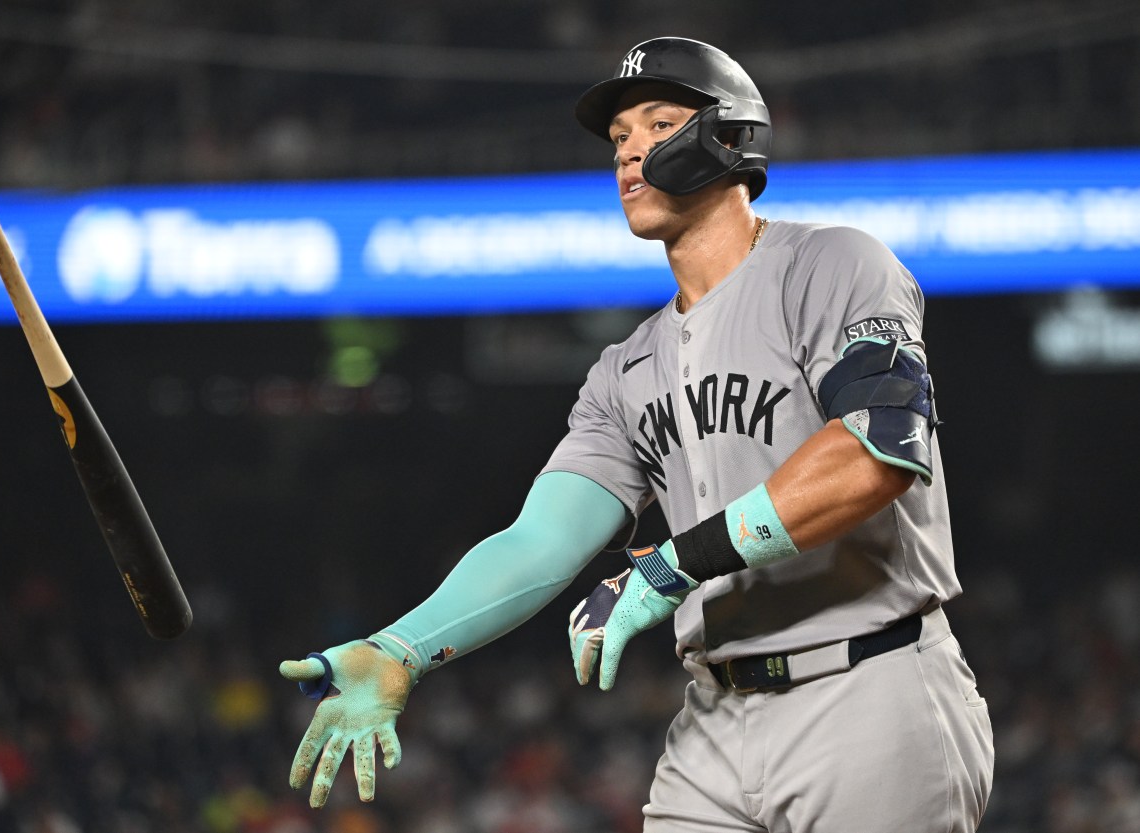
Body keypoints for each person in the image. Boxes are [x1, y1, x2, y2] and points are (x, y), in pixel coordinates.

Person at [280, 36, 995, 832]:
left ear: (728, 135)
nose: (629, 154)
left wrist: (673, 564)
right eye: (618, 138)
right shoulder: (627, 369)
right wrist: (401, 647)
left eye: (657, 124)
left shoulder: (831, 264)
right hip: (715, 719)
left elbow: (877, 452)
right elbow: (540, 540)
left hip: (868, 684)